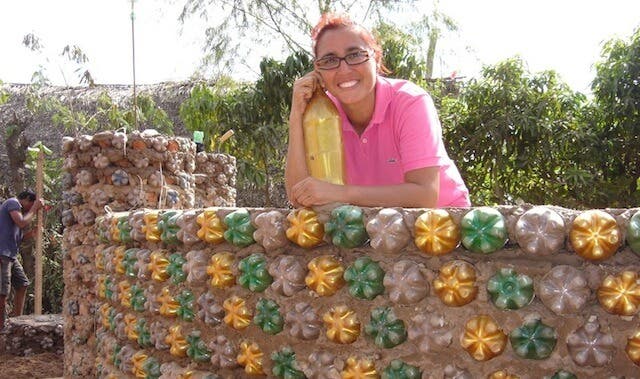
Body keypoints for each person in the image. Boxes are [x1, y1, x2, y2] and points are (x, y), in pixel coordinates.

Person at [286, 12, 470, 208]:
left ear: (377, 59)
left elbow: (425, 196)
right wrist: (296, 116)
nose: (344, 69)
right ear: (318, 70)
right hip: (372, 227)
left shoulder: (410, 102)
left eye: (355, 55)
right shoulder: (321, 115)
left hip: (442, 224)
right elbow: (299, 196)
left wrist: (339, 194)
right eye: (330, 60)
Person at [0, 190, 43, 330]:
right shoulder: (13, 202)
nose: (30, 209)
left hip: (11, 255)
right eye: (31, 204)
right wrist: (35, 208)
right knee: (2, 292)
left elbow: (19, 237)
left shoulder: (17, 212)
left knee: (22, 284)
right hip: (2, 254)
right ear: (26, 199)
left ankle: (16, 319)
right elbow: (22, 222)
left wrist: (32, 234)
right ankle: (1, 328)